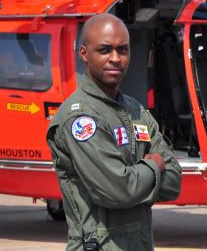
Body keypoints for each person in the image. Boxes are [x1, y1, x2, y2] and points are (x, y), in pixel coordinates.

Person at [47, 14, 182, 251]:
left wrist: (137, 176)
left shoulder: (135, 110)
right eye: (104, 50)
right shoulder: (80, 118)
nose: (115, 58)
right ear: (84, 54)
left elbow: (173, 183)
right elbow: (118, 190)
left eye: (123, 50)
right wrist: (154, 165)